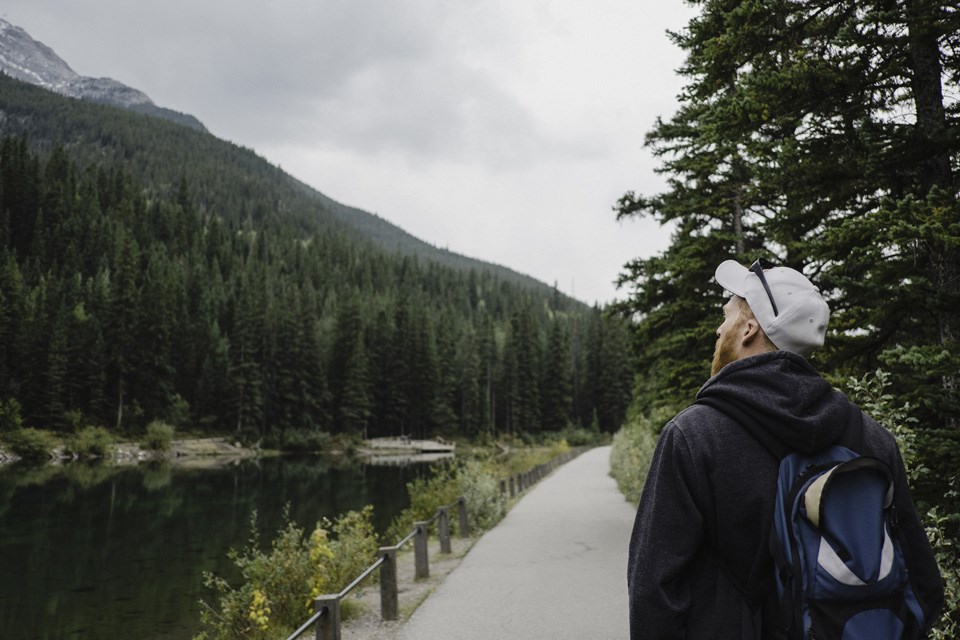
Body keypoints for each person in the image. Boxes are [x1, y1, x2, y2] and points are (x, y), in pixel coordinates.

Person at [626, 258, 944, 639]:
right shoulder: (871, 439)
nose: (718, 327)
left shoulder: (694, 436)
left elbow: (652, 592)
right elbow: (923, 580)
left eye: (726, 315)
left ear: (748, 328)